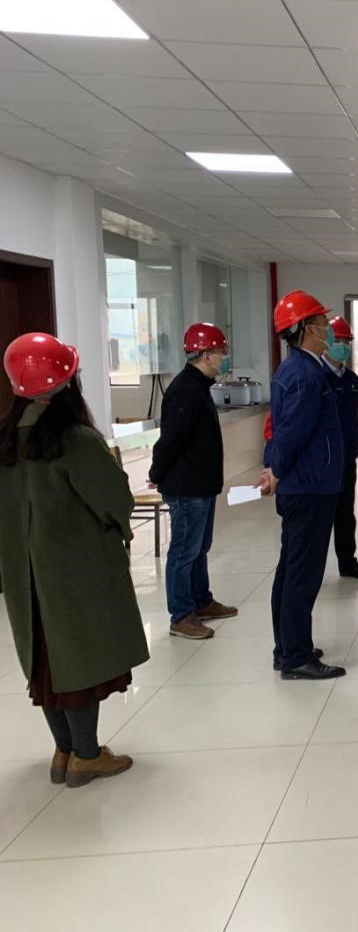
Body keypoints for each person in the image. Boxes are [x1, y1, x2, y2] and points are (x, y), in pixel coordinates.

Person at [0, 333, 149, 787]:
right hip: (75, 571)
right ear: (67, 383)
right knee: (81, 658)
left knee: (45, 661)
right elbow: (114, 500)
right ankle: (87, 755)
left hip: (25, 576)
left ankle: (63, 751)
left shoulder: (6, 441)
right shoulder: (75, 440)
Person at [257, 290, 346, 681]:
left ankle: (288, 646)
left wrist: (273, 466)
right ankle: (295, 656)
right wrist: (276, 469)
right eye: (322, 322)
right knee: (302, 574)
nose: (328, 328)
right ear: (307, 328)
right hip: (309, 486)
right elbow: (292, 430)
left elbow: (280, 428)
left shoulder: (296, 369)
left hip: (306, 483)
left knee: (291, 569)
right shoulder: (305, 373)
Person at [148, 322, 237, 641]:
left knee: (199, 548)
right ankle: (181, 616)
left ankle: (201, 601)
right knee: (184, 551)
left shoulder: (199, 386)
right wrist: (156, 474)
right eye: (221, 352)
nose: (225, 357)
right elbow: (171, 440)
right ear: (205, 355)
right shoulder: (185, 390)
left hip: (202, 484)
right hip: (186, 487)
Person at [324, 315, 358, 581]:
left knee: (345, 515)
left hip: (346, 460)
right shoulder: (316, 377)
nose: (343, 346)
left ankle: (347, 562)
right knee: (320, 518)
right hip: (322, 463)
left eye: (347, 341)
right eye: (338, 340)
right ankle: (312, 567)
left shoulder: (353, 381)